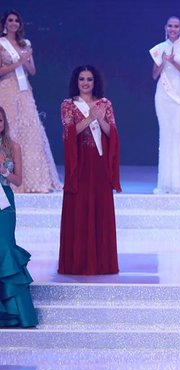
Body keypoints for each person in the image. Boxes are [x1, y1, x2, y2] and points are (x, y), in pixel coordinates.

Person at [59, 65, 121, 275]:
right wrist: (89, 118)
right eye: (82, 79)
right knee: (79, 208)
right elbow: (68, 133)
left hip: (99, 163)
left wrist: (99, 118)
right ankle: (78, 262)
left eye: (89, 79)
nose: (85, 83)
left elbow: (112, 133)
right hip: (80, 163)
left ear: (95, 82)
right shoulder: (68, 105)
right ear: (76, 82)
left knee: (99, 209)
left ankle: (102, 262)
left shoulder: (105, 104)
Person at [0, 10, 61, 193]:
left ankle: (36, 179)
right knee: (10, 129)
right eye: (10, 20)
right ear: (5, 23)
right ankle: (8, 177)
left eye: (17, 21)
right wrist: (19, 62)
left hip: (24, 91)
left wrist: (25, 60)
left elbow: (32, 71)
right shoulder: (1, 44)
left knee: (31, 130)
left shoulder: (25, 44)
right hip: (7, 89)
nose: (14, 23)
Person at [0, 106, 38, 328]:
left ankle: (14, 311)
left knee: (5, 247)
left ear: (4, 123)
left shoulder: (13, 147)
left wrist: (3, 170)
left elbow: (18, 180)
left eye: (0, 121)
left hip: (5, 202)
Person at [150, 16, 180, 194]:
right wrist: (163, 61)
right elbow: (154, 75)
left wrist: (173, 61)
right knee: (165, 135)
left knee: (178, 134)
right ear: (165, 28)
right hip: (163, 96)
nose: (173, 29)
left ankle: (179, 183)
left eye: (176, 26)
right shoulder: (159, 48)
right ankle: (165, 183)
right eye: (170, 26)